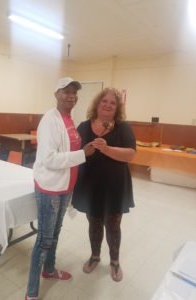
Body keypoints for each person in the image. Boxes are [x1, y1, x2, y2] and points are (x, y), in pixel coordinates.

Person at [26, 77, 95, 300]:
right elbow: (48, 159)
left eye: (75, 92)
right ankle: (31, 293)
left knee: (54, 234)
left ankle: (49, 270)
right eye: (66, 91)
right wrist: (82, 154)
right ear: (56, 94)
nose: (71, 95)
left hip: (65, 187)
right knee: (44, 240)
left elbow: (67, 151)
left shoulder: (69, 119)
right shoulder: (50, 120)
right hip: (50, 189)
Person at [72, 87, 136, 282]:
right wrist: (83, 151)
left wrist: (106, 149)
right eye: (104, 101)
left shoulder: (122, 127)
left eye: (113, 103)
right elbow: (75, 153)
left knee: (113, 224)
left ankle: (115, 261)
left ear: (117, 108)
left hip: (114, 185)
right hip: (90, 184)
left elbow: (131, 153)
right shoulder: (83, 126)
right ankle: (94, 256)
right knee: (94, 222)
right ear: (97, 104)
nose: (108, 105)